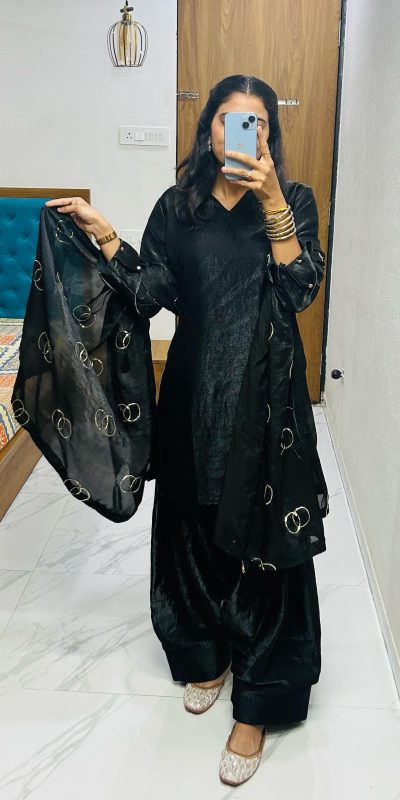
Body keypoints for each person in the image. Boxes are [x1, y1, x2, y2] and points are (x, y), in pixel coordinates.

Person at [43, 74, 329, 787]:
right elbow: (151, 295)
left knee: (266, 550)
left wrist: (272, 203)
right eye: (229, 120)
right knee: (193, 533)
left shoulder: (293, 200)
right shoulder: (180, 207)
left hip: (267, 406)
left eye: (258, 122)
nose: (243, 133)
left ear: (270, 135)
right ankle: (207, 652)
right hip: (195, 394)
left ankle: (259, 702)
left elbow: (300, 289)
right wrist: (104, 233)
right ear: (208, 132)